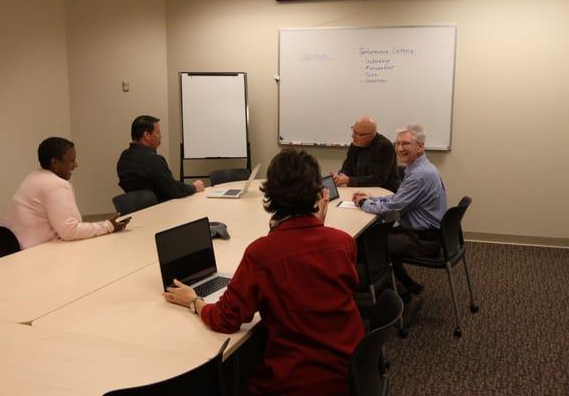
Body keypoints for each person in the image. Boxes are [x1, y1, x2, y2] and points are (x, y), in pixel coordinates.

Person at [164, 149, 364, 396]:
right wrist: (319, 223)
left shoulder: (262, 254)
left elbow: (225, 320)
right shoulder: (343, 242)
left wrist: (194, 301)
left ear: (270, 193)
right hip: (351, 370)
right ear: (319, 193)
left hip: (295, 382)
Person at [352, 124, 447, 305]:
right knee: (376, 239)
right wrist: (372, 199)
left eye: (406, 144)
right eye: (397, 144)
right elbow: (398, 199)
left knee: (366, 247)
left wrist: (364, 203)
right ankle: (408, 285)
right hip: (425, 234)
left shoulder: (419, 174)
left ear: (420, 146)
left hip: (422, 240)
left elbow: (394, 208)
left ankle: (404, 299)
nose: (400, 148)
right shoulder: (420, 168)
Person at [5, 137, 128, 249]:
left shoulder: (33, 177)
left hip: (20, 250)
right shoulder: (56, 184)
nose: (76, 165)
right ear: (54, 163)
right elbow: (70, 231)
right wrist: (108, 226)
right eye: (72, 160)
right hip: (38, 255)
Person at [116, 115, 204, 202]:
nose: (160, 136)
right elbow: (173, 190)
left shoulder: (124, 157)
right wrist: (194, 187)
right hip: (160, 210)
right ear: (146, 135)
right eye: (158, 133)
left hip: (136, 211)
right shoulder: (153, 160)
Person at [331, 116, 400, 192]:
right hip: (360, 189)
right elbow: (347, 167)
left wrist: (349, 180)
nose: (353, 136)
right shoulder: (356, 143)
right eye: (354, 131)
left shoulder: (384, 146)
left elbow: (378, 179)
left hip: (383, 192)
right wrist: (339, 176)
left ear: (371, 136)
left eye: (359, 134)